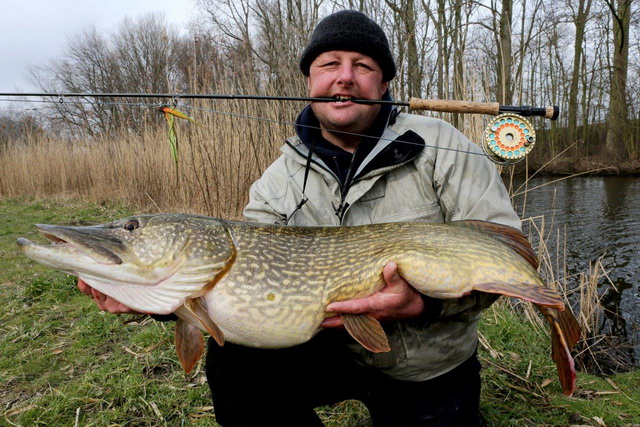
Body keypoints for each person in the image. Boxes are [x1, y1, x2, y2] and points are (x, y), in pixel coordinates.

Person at [79, 9, 521, 426]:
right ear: (310, 78)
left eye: (362, 65)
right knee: (235, 369)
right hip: (325, 348)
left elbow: (502, 251)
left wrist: (426, 303)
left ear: (383, 83)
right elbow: (229, 289)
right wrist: (158, 300)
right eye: (329, 64)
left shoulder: (441, 146)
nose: (344, 76)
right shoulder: (278, 180)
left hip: (427, 361)